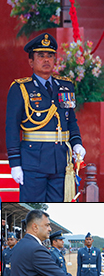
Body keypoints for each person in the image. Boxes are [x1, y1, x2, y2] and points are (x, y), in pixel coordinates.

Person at [5, 33, 86, 201]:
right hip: (33, 161)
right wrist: (15, 164)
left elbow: (71, 121)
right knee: (34, 208)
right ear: (31, 62)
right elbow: (11, 128)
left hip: (61, 162)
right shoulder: (20, 88)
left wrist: (77, 143)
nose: (46, 60)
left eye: (50, 56)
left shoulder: (65, 86)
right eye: (40, 56)